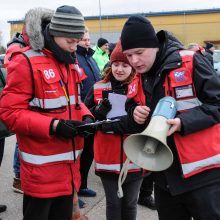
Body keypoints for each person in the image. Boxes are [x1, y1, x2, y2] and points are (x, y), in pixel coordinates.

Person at [120, 15, 220, 220]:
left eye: (139, 53)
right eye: (128, 56)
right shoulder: (138, 77)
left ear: (155, 45)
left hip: (204, 176)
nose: (134, 61)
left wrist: (184, 122)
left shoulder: (189, 62)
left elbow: (217, 103)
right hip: (164, 178)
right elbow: (129, 110)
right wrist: (134, 114)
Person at [0, 6, 95, 220]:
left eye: (77, 41)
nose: (74, 48)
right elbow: (9, 113)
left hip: (69, 170)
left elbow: (75, 101)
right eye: (70, 42)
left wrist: (87, 117)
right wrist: (53, 125)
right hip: (41, 174)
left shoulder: (69, 61)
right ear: (54, 34)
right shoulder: (25, 61)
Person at [84, 40, 144, 220]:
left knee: (130, 204)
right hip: (106, 157)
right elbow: (85, 117)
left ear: (132, 66)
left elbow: (145, 119)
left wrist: (115, 124)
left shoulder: (140, 86)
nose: (119, 69)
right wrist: (96, 112)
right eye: (116, 64)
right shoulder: (98, 86)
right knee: (113, 203)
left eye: (125, 65)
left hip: (134, 157)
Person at [76, 27, 102, 206]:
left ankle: (83, 184)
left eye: (88, 39)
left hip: (94, 112)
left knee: (89, 152)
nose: (87, 42)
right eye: (84, 39)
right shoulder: (74, 58)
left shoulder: (90, 58)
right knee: (79, 153)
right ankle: (74, 192)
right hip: (80, 113)